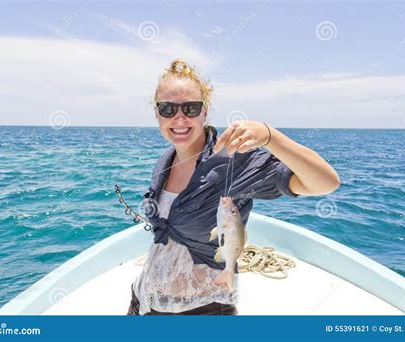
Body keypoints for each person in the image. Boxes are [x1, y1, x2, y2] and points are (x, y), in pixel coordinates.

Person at [127, 59, 340, 315]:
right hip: (143, 300)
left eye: (191, 108)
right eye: (167, 108)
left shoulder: (235, 161)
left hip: (202, 311)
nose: (179, 117)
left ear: (205, 111)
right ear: (157, 113)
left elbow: (325, 182)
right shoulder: (165, 160)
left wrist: (270, 136)